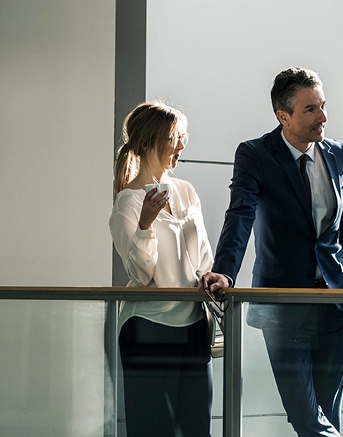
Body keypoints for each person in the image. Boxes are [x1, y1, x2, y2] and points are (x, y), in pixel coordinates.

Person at [199, 67, 343, 437]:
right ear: (283, 116)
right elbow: (240, 214)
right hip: (283, 303)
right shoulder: (256, 154)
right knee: (305, 416)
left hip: (339, 303)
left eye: (323, 106)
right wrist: (225, 271)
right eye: (310, 109)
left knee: (327, 412)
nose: (323, 117)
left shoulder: (340, 154)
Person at [109, 101, 219, 437]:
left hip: (194, 326)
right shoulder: (127, 202)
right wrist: (145, 226)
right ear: (148, 143)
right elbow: (141, 275)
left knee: (198, 427)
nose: (181, 147)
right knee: (152, 429)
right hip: (148, 328)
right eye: (174, 138)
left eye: (183, 137)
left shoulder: (186, 191)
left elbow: (204, 259)